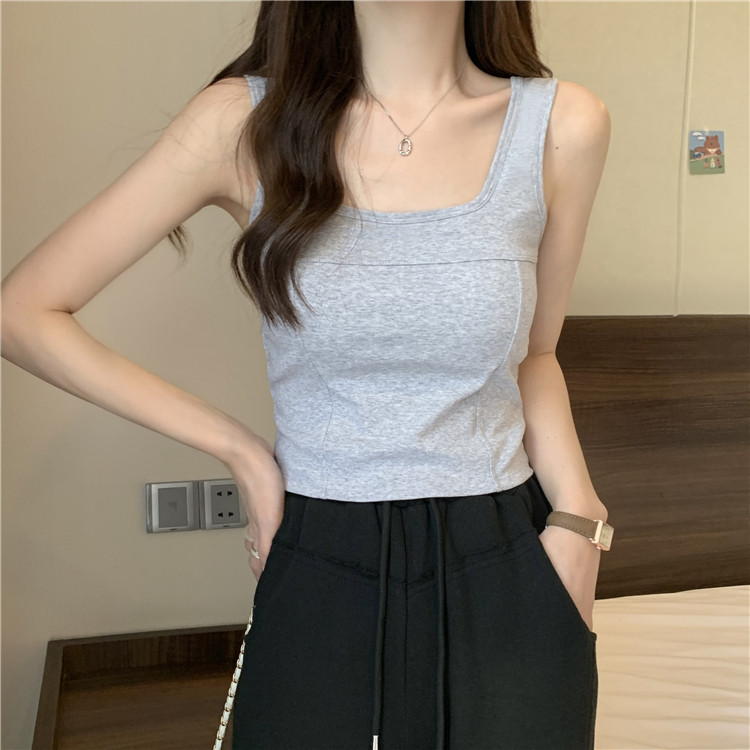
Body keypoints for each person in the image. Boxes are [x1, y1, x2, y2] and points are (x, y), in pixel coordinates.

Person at [1, 1, 612, 748]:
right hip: (323, 547)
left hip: (505, 551)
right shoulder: (242, 124)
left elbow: (536, 355)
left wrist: (579, 520)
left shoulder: (561, 125)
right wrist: (241, 450)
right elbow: (23, 312)